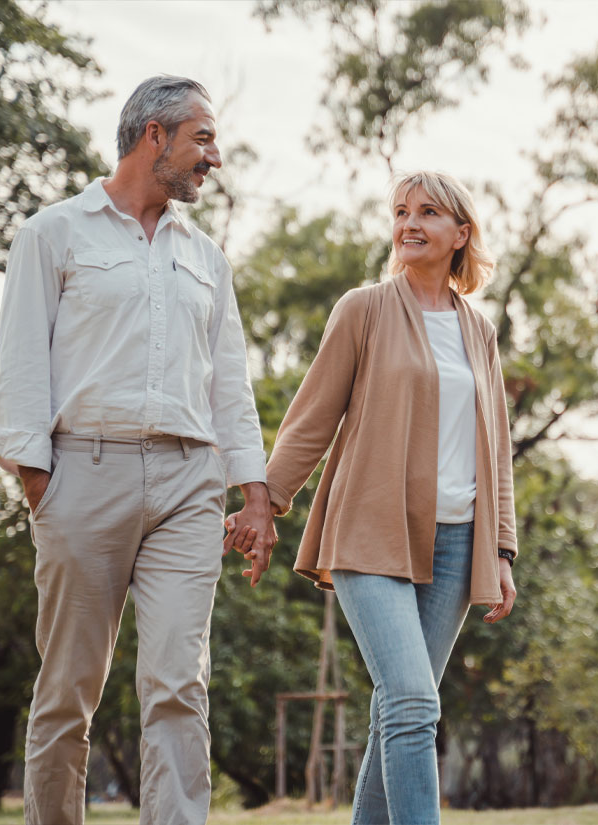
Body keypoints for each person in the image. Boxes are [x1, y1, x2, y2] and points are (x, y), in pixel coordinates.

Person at [0, 75, 276, 825]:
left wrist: (254, 493)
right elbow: (22, 367)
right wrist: (37, 482)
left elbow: (230, 385)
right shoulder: (53, 232)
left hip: (189, 483)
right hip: (82, 474)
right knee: (68, 689)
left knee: (180, 682)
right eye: (202, 139)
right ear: (154, 135)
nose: (212, 157)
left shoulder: (207, 258)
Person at [225, 170, 517, 824]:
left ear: (460, 234)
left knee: (398, 709)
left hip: (455, 543)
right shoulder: (362, 309)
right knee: (413, 703)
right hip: (369, 531)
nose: (409, 223)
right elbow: (310, 418)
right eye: (400, 212)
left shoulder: (480, 333)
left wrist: (499, 549)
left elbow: (493, 446)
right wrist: (263, 502)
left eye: (428, 213)